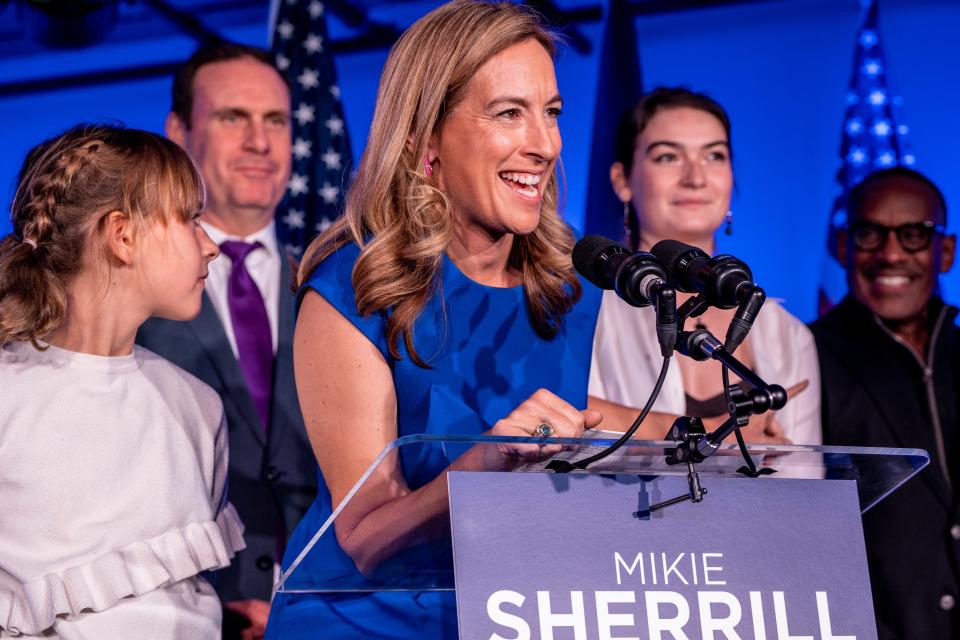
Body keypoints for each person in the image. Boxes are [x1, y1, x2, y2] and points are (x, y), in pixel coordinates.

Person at [264, 1, 602, 637]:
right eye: (509, 113)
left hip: (511, 617)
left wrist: (722, 430)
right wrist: (486, 465)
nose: (544, 145)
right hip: (364, 621)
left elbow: (570, 413)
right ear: (427, 141)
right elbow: (365, 534)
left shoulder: (565, 285)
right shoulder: (354, 289)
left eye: (551, 113)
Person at [0, 124, 243, 638]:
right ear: (123, 236)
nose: (210, 246)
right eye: (190, 220)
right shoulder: (10, 393)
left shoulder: (197, 406)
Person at [136, 44, 317, 638]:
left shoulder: (337, 290)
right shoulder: (124, 292)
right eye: (233, 118)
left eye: (276, 121)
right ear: (179, 131)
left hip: (325, 613)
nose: (260, 142)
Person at [588, 88, 821, 446]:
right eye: (668, 157)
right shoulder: (586, 313)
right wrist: (716, 435)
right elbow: (568, 429)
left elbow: (808, 481)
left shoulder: (787, 334)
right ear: (622, 181)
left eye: (714, 155)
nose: (696, 178)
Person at [810, 166, 959, 639]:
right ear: (841, 246)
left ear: (946, 252)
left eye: (914, 234)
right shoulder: (805, 356)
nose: (891, 253)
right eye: (870, 233)